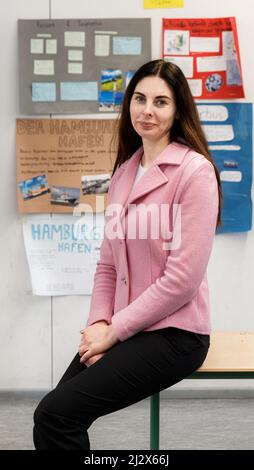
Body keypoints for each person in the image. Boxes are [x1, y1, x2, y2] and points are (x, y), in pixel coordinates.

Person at [33, 59, 222, 450]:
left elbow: (182, 281)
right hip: (124, 329)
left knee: (57, 415)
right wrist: (98, 323)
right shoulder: (124, 173)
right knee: (50, 415)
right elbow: (107, 265)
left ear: (177, 110)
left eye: (161, 101)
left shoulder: (195, 172)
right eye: (139, 98)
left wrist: (114, 330)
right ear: (129, 104)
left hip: (175, 334)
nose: (147, 110)